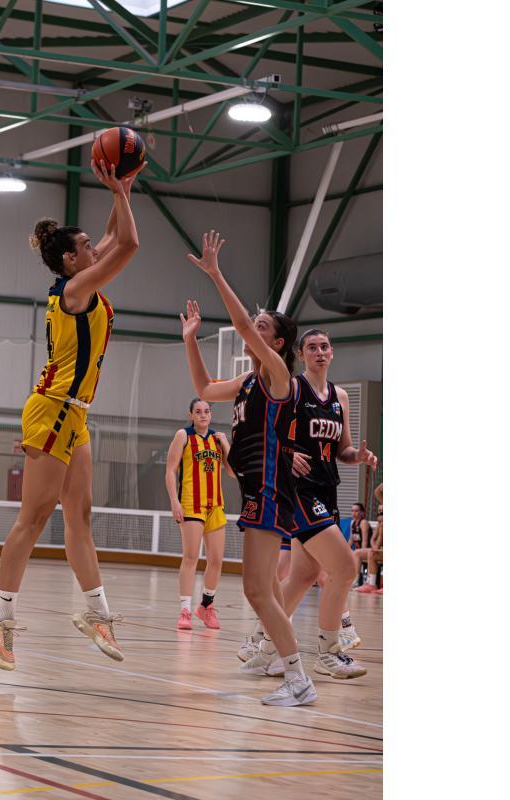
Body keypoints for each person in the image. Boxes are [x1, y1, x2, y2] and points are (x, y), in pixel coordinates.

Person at [0, 158, 143, 671]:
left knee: (80, 517)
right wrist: (119, 194)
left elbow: (115, 237)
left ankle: (97, 612)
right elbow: (129, 244)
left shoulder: (80, 280)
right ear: (72, 259)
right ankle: (0, 617)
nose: (97, 248)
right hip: (51, 410)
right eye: (88, 246)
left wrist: (124, 186)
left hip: (75, 416)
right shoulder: (75, 291)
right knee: (33, 519)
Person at [180, 230, 315, 707]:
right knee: (265, 590)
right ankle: (284, 665)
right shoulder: (246, 381)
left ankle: (297, 678)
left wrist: (216, 273)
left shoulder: (279, 375)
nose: (251, 329)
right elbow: (203, 386)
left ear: (276, 342)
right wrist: (190, 340)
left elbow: (238, 325)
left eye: (261, 326)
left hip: (272, 489)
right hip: (258, 489)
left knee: (258, 590)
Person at [245, 329, 377, 680]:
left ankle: (268, 647)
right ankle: (328, 652)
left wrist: (358, 456)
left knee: (303, 575)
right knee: (346, 568)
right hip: (299, 492)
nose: (320, 352)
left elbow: (342, 449)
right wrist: (286, 457)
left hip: (327, 490)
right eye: (312, 347)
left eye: (325, 346)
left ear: (332, 353)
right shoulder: (292, 388)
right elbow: (266, 434)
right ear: (301, 354)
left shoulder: (340, 397)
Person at [165, 399, 235, 630]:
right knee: (191, 557)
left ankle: (206, 606)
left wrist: (226, 444)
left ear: (210, 415)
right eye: (198, 411)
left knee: (216, 560)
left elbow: (233, 472)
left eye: (206, 411)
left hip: (215, 505)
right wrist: (174, 501)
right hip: (191, 503)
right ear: (191, 415)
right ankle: (185, 611)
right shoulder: (183, 436)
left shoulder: (217, 439)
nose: (203, 415)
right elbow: (170, 470)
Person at [354, 504, 384, 593]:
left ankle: (372, 583)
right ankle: (356, 581)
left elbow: (367, 540)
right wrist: (374, 546)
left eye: (382, 511)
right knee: (357, 553)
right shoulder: (379, 523)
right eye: (379, 511)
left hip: (381, 549)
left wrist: (376, 547)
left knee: (371, 553)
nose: (381, 513)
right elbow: (372, 539)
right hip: (378, 548)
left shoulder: (363, 523)